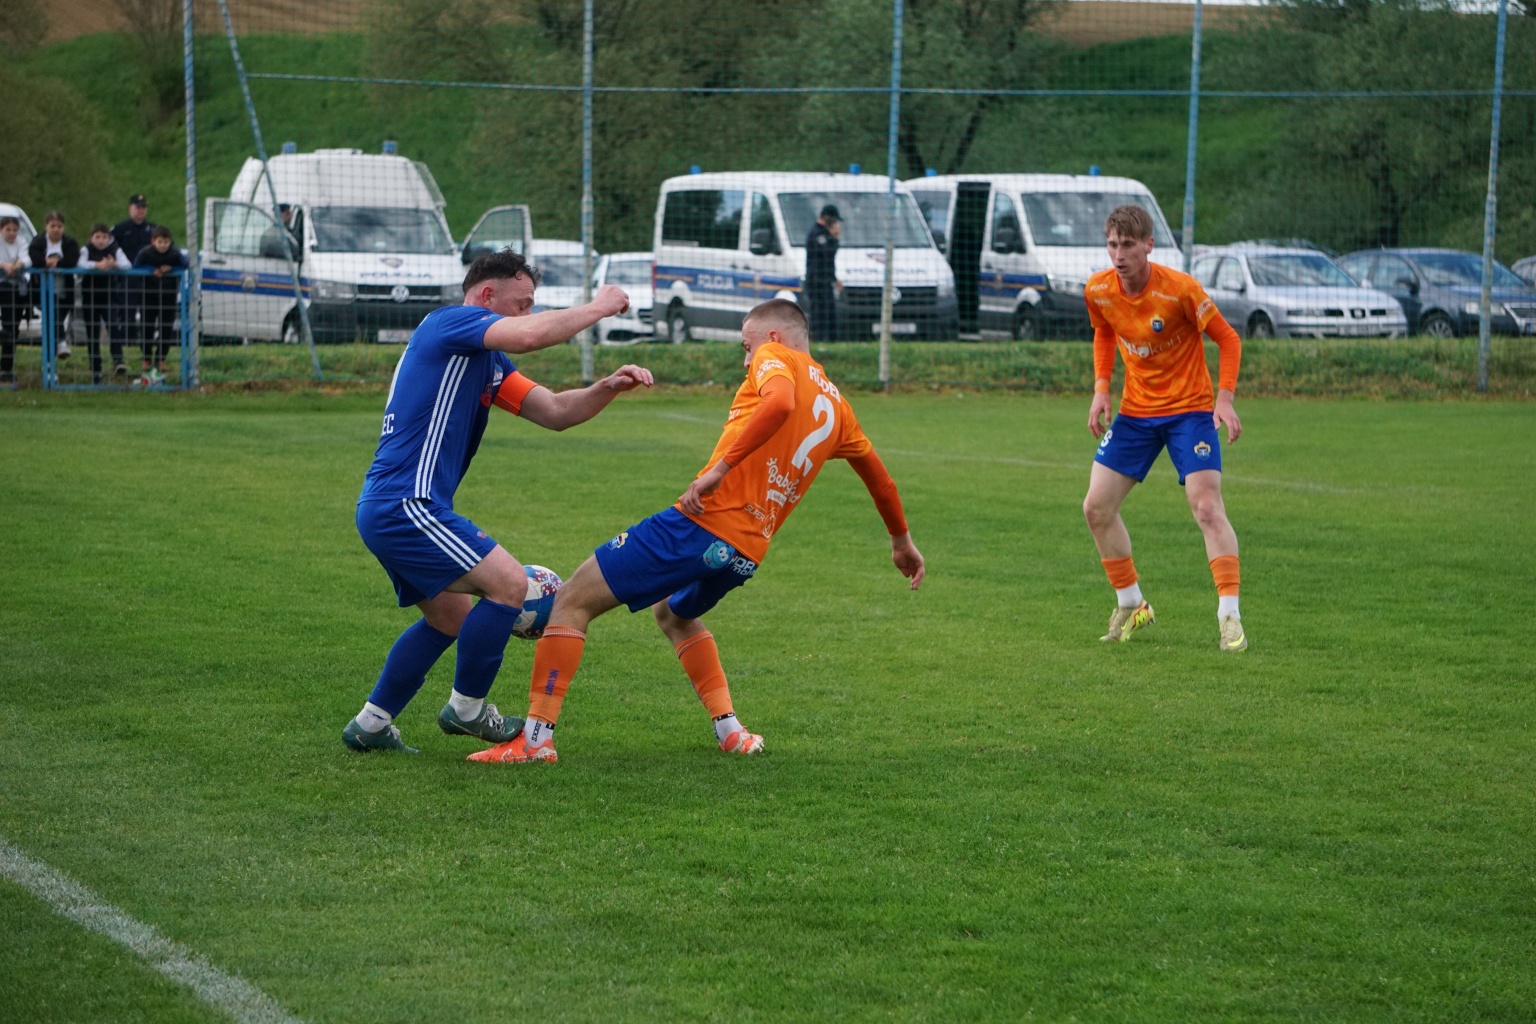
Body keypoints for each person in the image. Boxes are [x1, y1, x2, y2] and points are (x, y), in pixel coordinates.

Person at [467, 298, 926, 765]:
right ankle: (731, 731)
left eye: (747, 347)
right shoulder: (838, 406)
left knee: (570, 601)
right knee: (674, 614)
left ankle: (535, 741)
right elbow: (881, 480)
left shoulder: (775, 357)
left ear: (773, 338)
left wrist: (720, 470)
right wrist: (901, 541)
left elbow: (781, 401)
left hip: (701, 523)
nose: (747, 361)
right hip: (746, 551)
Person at [344, 249, 651, 754]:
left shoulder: (484, 359)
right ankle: (467, 709)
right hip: (408, 504)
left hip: (390, 506)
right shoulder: (449, 324)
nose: (528, 314)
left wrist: (606, 387)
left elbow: (554, 411)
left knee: (449, 618)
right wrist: (599, 306)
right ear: (487, 295)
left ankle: (371, 724)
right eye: (522, 303)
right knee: (509, 584)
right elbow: (530, 336)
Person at [1081, 204, 1247, 652]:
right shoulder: (1098, 289)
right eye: (1112, 245)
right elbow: (1104, 331)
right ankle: (1131, 603)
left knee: (1206, 507)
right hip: (1136, 413)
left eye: (1128, 245)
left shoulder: (1180, 290)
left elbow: (1228, 339)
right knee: (1096, 507)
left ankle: (1229, 617)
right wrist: (1101, 389)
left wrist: (1224, 399)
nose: (1119, 254)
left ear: (1148, 245)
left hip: (1190, 412)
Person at [77, 222, 132, 382]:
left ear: (109, 238)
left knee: (113, 326)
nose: (101, 240)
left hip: (109, 296)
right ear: (91, 238)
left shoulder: (114, 249)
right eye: (98, 237)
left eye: (104, 237)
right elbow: (79, 263)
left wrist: (114, 265)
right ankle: (96, 369)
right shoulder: (86, 249)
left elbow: (127, 265)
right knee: (92, 333)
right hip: (90, 297)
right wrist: (97, 265)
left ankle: (118, 360)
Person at [132, 225, 186, 383]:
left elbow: (185, 264)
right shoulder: (145, 253)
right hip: (148, 296)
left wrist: (171, 268)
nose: (163, 245)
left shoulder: (175, 253)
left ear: (170, 242)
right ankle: (146, 358)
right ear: (153, 241)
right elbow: (136, 265)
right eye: (160, 242)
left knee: (166, 328)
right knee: (146, 327)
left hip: (168, 296)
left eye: (166, 242)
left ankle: (161, 358)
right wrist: (151, 269)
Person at [29, 211, 82, 364]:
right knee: (51, 320)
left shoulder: (69, 242)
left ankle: (50, 363)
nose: (56, 229)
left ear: (63, 227)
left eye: (59, 226)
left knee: (53, 323)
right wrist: (45, 262)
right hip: (43, 290)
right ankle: (57, 349)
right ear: (46, 226)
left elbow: (72, 260)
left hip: (64, 291)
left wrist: (56, 263)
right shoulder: (38, 242)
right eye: (52, 226)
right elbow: (34, 257)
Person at [112, 194, 158, 352]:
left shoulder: (152, 229)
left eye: (143, 207)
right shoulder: (120, 229)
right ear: (130, 208)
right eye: (137, 207)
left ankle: (145, 345)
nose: (141, 211)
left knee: (148, 312)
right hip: (127, 278)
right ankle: (128, 343)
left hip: (148, 278)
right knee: (127, 312)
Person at [804, 203, 842, 342]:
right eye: (834, 220)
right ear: (827, 217)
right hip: (816, 281)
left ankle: (830, 340)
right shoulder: (817, 233)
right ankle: (818, 339)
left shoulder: (824, 234)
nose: (836, 224)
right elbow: (827, 254)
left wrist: (834, 279)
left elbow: (828, 263)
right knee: (818, 313)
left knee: (829, 312)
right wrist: (835, 239)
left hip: (825, 280)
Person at [0, 216, 30, 385]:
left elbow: (27, 258)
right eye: (8, 230)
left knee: (13, 329)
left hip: (17, 287)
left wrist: (18, 265)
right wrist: (4, 265)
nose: (12, 233)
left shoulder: (21, 241)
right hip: (3, 286)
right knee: (8, 328)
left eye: (14, 230)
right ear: (1, 230)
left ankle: (6, 369)